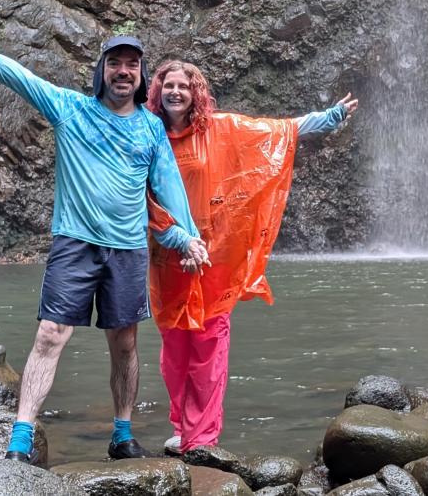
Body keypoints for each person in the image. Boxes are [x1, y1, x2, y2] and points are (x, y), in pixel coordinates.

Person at [0, 5, 209, 461]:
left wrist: (188, 236)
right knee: (50, 334)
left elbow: (169, 188)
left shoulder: (152, 128)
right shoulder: (70, 109)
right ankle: (22, 434)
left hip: (128, 249)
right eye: (115, 63)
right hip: (74, 243)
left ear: (141, 76)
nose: (123, 71)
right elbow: (16, 76)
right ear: (102, 71)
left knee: (125, 342)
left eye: (132, 65)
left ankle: (121, 433)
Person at [145, 60, 358, 453]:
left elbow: (277, 131)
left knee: (208, 347)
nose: (176, 92)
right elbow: (140, 195)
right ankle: (182, 424)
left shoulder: (220, 129)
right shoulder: (146, 133)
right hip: (168, 256)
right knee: (174, 353)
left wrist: (328, 117)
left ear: (196, 93)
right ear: (157, 91)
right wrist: (176, 239)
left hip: (213, 256)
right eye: (168, 85)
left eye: (184, 86)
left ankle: (203, 437)